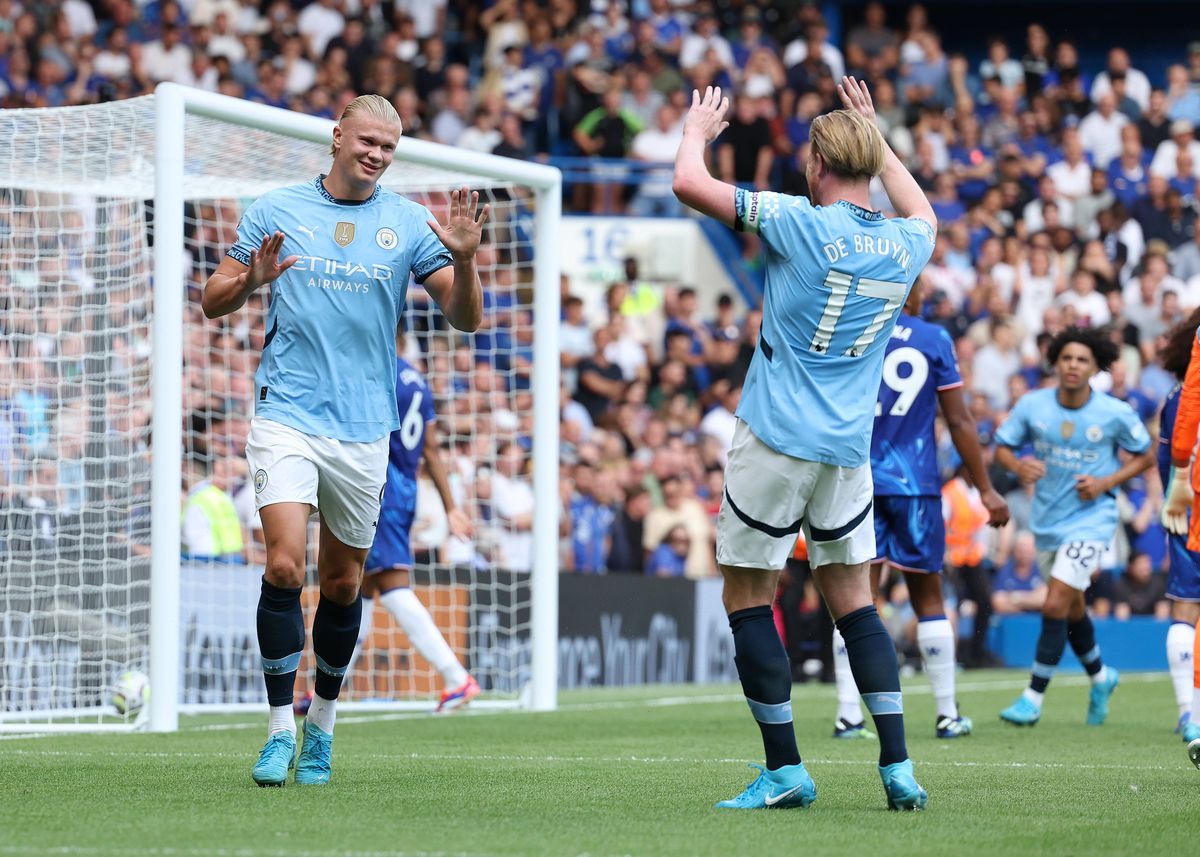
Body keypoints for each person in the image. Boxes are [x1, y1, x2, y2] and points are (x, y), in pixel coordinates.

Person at [203, 94, 486, 786]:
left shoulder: (408, 222)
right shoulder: (275, 209)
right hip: (287, 414)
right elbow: (212, 297)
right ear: (337, 136)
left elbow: (465, 319)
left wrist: (468, 261)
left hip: (365, 429)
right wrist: (251, 281)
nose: (377, 155)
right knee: (281, 567)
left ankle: (322, 728)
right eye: (367, 141)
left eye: (389, 148)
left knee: (343, 582)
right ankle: (276, 732)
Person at [672, 78, 935, 811]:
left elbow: (687, 182)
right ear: (872, 157)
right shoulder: (911, 241)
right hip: (848, 449)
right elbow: (920, 205)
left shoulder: (798, 220)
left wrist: (697, 127)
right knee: (856, 602)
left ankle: (786, 770)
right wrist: (878, 137)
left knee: (749, 594)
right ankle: (898, 765)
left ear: (817, 163)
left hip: (777, 437)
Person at [830, 278, 1009, 741]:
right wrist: (986, 489)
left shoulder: (850, 330)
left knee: (856, 598)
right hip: (914, 484)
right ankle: (947, 714)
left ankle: (848, 715)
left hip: (856, 481)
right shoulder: (932, 338)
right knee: (928, 597)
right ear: (915, 296)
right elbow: (959, 420)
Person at [995, 328, 1154, 728]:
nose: (1073, 365)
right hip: (1047, 520)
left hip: (1092, 520)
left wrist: (1105, 483)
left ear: (1096, 366)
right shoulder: (1033, 405)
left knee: (1054, 603)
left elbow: (1146, 456)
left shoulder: (1114, 413)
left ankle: (1032, 699)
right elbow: (1002, 448)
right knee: (1071, 606)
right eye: (1067, 358)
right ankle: (1102, 678)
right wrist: (1018, 466)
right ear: (1055, 362)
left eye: (1083, 359)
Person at [344, 330, 478, 714]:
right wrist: (451, 506)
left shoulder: (377, 375)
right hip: (405, 487)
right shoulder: (418, 381)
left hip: (379, 485)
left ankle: (456, 677)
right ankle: (325, 690)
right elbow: (432, 450)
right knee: (361, 590)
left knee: (391, 584)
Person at [1156, 310, 1200, 744]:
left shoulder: (1178, 394)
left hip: (1188, 505)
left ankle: (1190, 713)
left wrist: (1175, 494)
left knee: (1186, 608)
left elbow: (1169, 456)